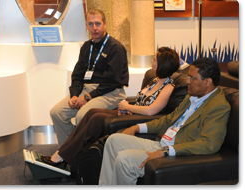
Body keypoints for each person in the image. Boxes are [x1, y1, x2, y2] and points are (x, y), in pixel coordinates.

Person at [99, 58, 231, 185]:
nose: (188, 82)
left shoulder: (218, 106)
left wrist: (167, 151)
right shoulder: (192, 95)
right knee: (113, 140)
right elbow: (169, 120)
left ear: (208, 82)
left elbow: (209, 144)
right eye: (188, 77)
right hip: (161, 143)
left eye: (192, 78)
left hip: (176, 153)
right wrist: (137, 127)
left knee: (124, 160)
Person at [41, 47, 180, 167]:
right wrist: (128, 107)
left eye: (154, 59)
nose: (151, 61)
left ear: (163, 64)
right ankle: (64, 153)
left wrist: (128, 106)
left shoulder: (168, 86)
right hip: (130, 113)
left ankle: (61, 156)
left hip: (138, 119)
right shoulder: (155, 80)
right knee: (92, 112)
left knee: (96, 118)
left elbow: (151, 111)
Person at [50, 9, 129, 146]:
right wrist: (74, 95)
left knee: (82, 115)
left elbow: (112, 81)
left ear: (105, 24)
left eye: (98, 24)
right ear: (86, 26)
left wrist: (87, 97)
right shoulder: (86, 47)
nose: (94, 28)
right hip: (86, 91)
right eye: (90, 24)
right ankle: (68, 153)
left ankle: (78, 155)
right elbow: (77, 75)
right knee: (56, 112)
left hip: (110, 93)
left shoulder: (116, 47)